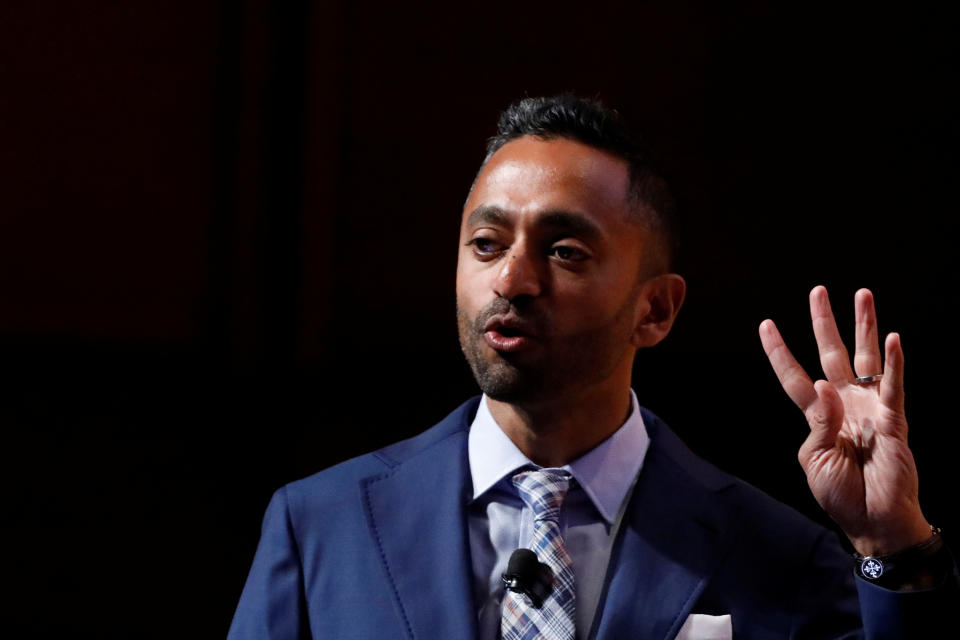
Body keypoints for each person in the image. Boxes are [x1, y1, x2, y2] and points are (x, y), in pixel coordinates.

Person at [227, 96, 957, 639]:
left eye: (565, 251)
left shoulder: (776, 553)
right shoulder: (322, 524)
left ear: (657, 311)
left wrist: (893, 545)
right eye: (486, 244)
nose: (512, 280)